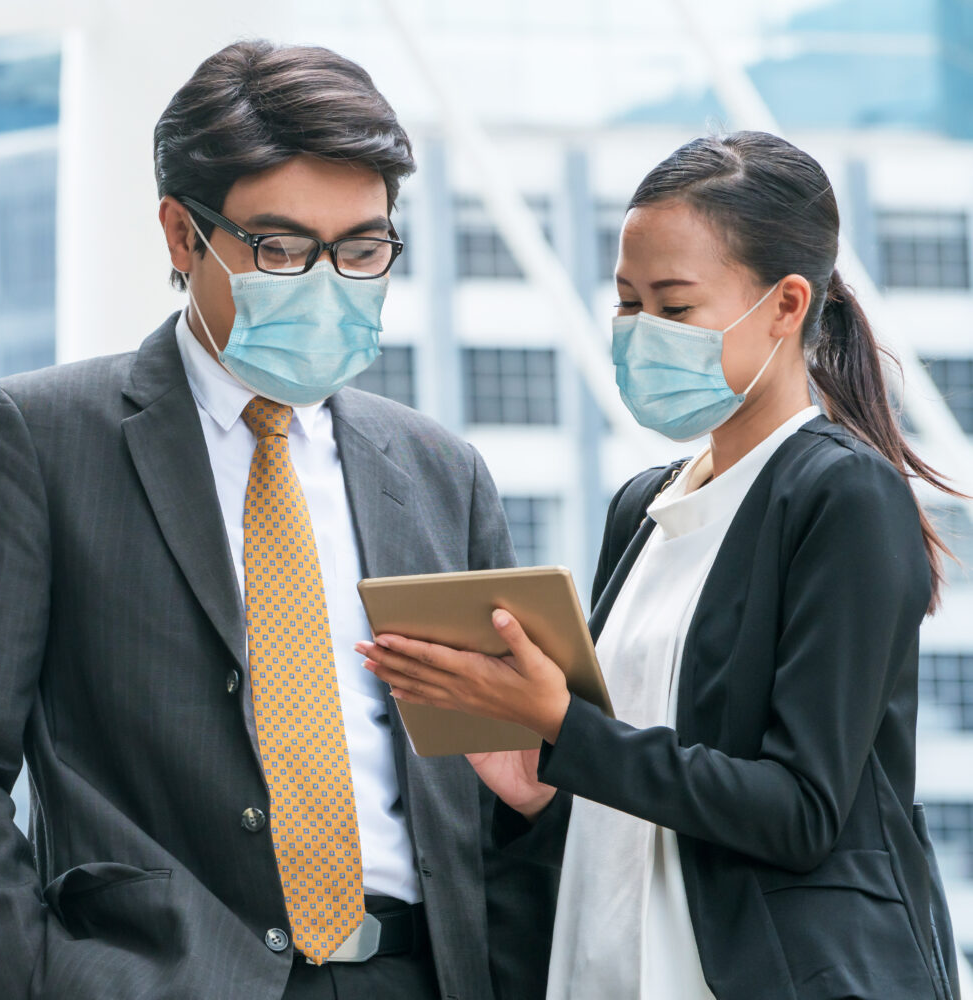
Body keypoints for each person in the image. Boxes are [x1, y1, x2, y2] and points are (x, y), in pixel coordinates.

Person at [0, 40, 563, 1000]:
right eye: (280, 247)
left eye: (363, 249)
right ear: (179, 234)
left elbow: (509, 785)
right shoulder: (36, 441)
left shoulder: (441, 473)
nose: (327, 282)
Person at [360, 130, 965, 1000]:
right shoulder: (643, 506)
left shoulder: (844, 495)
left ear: (788, 305)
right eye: (627, 303)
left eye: (674, 308)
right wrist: (538, 785)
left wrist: (569, 730)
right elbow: (634, 799)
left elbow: (800, 813)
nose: (640, 335)